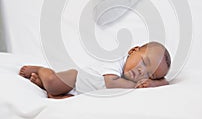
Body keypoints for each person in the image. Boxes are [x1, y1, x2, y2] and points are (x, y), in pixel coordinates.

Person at [19, 41, 171, 99]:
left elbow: (166, 82)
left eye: (149, 74)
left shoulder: (134, 81)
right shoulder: (116, 61)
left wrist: (155, 84)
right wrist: (139, 86)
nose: (141, 72)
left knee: (64, 103)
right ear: (133, 50)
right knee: (53, 83)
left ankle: (45, 88)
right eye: (144, 62)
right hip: (75, 80)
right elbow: (110, 83)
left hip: (82, 94)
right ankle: (42, 71)